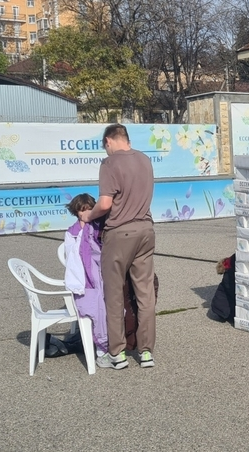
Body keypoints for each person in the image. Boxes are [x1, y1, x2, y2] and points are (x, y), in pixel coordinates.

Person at [80, 123, 156, 370]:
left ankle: (117, 354)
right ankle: (146, 353)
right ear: (127, 140)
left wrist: (88, 216)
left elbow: (104, 204)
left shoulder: (109, 163)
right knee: (145, 293)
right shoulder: (145, 160)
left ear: (109, 141)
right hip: (146, 230)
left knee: (113, 295)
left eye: (106, 147)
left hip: (119, 233)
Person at [63, 193, 108, 357]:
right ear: (76, 212)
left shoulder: (99, 227)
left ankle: (112, 342)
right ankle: (101, 346)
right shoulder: (72, 233)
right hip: (84, 281)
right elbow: (73, 258)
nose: (86, 213)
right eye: (82, 210)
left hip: (102, 275)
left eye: (90, 209)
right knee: (92, 307)